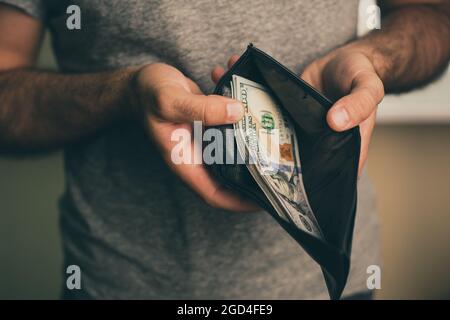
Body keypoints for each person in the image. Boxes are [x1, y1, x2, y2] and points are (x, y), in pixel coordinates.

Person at [0, 0, 448, 299]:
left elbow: (431, 15)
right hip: (117, 281)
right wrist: (124, 94)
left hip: (328, 281)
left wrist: (372, 59)